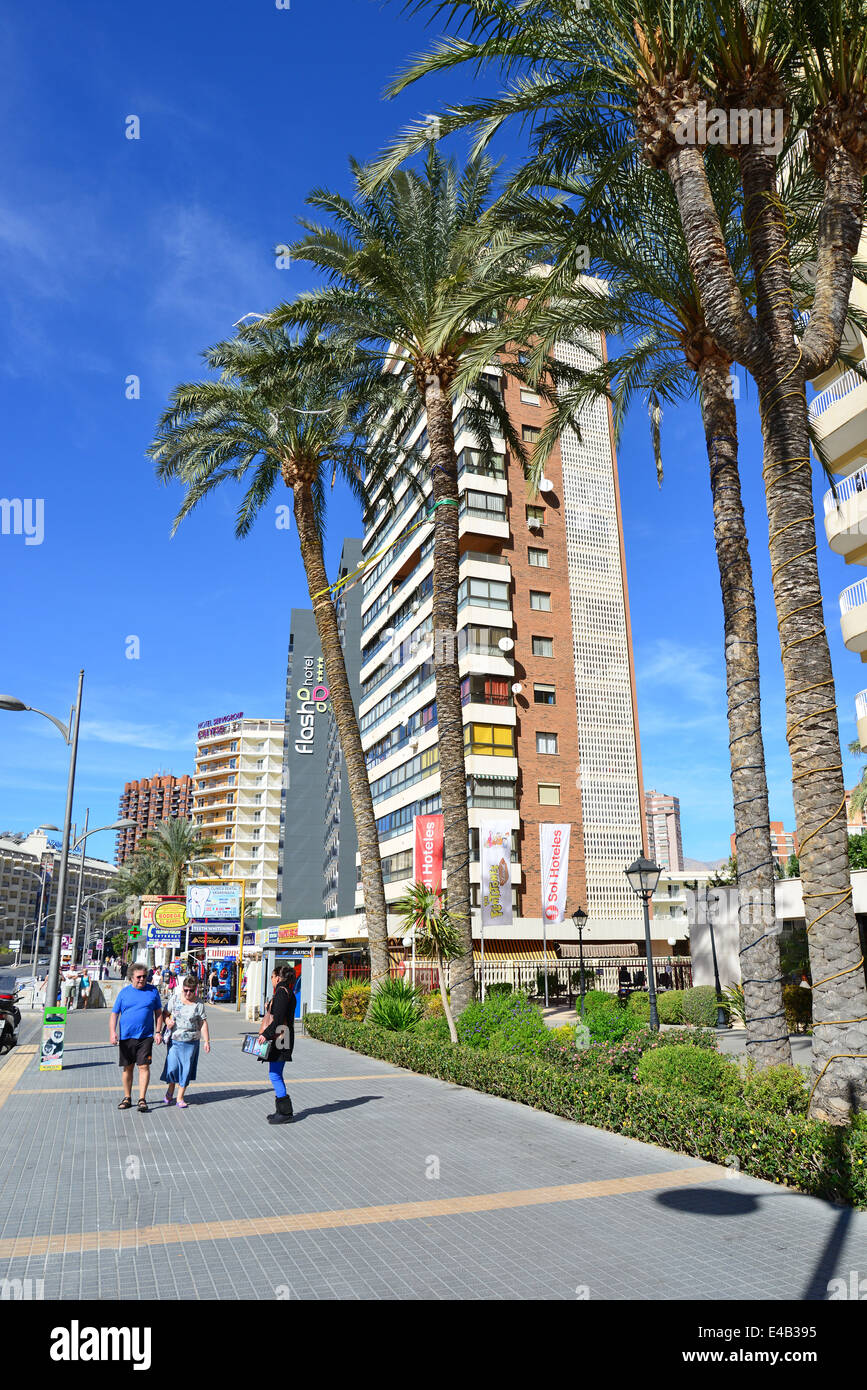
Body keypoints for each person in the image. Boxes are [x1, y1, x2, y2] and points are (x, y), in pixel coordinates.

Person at [109, 961, 164, 1113]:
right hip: (126, 1036)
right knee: (128, 1068)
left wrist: (158, 1032)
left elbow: (158, 1013)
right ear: (131, 978)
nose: (142, 979)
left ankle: (142, 1099)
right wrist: (113, 1032)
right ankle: (127, 1097)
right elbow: (114, 1014)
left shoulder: (152, 991)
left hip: (146, 1036)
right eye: (139, 977)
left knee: (144, 1066)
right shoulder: (124, 993)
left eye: (144, 977)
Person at [159, 976, 210, 1108]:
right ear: (182, 988)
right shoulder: (175, 999)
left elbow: (203, 1022)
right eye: (186, 990)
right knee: (172, 1068)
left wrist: (207, 1041)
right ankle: (170, 1090)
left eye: (191, 991)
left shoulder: (199, 1004)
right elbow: (165, 1013)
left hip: (191, 1042)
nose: (188, 993)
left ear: (195, 990)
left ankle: (180, 1097)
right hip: (175, 1040)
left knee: (186, 1070)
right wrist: (167, 1021)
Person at [258, 965, 295, 1125]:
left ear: (278, 978)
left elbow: (278, 1019)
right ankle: (281, 1110)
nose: (271, 980)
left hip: (281, 1038)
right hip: (284, 1036)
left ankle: (285, 1112)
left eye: (272, 977)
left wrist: (265, 1035)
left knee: (275, 1074)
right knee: (276, 1073)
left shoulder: (281, 993)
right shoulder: (287, 992)